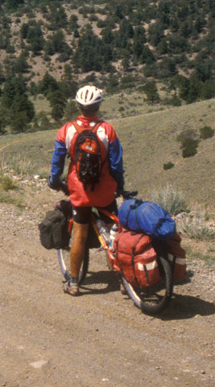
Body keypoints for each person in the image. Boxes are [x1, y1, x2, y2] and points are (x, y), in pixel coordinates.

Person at [48, 84, 125, 296]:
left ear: (79, 106)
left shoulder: (67, 130)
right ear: (98, 106)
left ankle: (73, 283)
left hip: (79, 191)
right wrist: (119, 186)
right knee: (115, 232)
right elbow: (117, 165)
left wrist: (54, 181)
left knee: (79, 235)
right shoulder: (107, 130)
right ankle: (125, 279)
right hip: (104, 191)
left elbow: (57, 162)